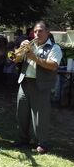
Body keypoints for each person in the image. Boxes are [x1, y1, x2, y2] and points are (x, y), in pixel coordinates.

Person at [13, 21, 62, 154]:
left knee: (40, 116)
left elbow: (53, 65)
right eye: (35, 31)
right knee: (22, 113)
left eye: (40, 31)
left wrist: (34, 58)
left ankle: (42, 143)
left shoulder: (54, 48)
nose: (37, 34)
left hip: (40, 84)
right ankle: (23, 139)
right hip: (24, 82)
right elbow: (15, 60)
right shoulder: (30, 45)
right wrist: (20, 49)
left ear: (48, 32)